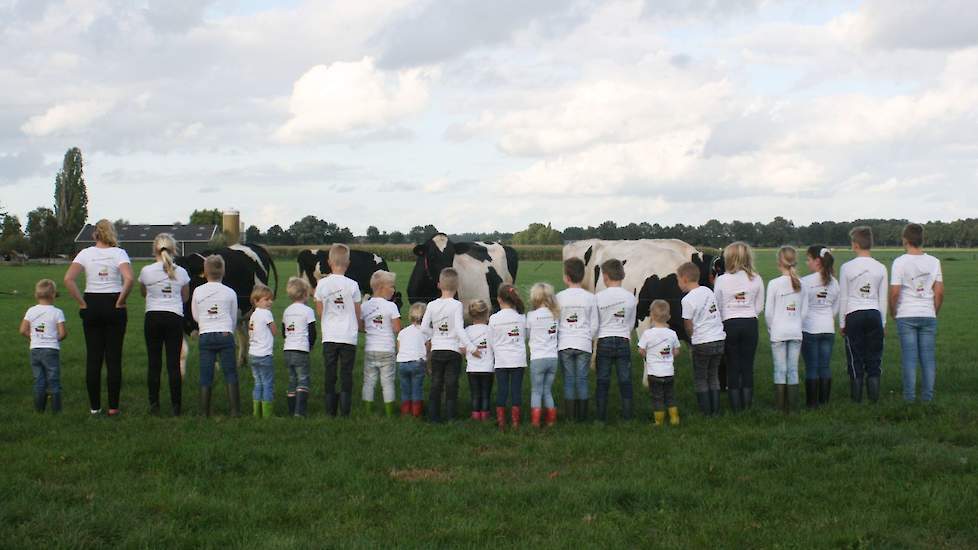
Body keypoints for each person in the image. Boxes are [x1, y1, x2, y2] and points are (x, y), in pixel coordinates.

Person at [63, 219, 133, 417]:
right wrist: (121, 300)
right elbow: (129, 278)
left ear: (95, 234)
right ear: (112, 234)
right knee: (114, 358)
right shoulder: (119, 253)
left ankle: (94, 408)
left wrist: (82, 303)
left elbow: (68, 279)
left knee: (93, 358)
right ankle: (113, 407)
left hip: (91, 303)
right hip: (113, 304)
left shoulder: (85, 254)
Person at [890, 223, 944, 403]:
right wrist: (933, 311)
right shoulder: (934, 262)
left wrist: (893, 311)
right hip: (928, 313)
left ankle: (909, 399)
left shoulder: (899, 262)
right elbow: (939, 292)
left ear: (905, 240)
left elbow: (895, 292)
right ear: (923, 239)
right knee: (928, 358)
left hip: (906, 314)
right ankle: (927, 399)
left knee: (909, 358)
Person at [138, 233, 191, 416]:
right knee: (173, 364)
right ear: (174, 249)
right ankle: (176, 406)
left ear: (155, 249)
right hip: (174, 318)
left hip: (152, 317)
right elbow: (185, 297)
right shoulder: (182, 272)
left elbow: (144, 293)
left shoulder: (146, 271)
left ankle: (154, 404)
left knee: (154, 363)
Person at [838, 226, 888, 403]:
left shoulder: (846, 267)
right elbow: (883, 299)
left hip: (854, 313)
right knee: (874, 358)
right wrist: (883, 323)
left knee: (855, 357)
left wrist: (841, 322)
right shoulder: (881, 267)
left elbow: (843, 296)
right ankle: (873, 400)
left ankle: (856, 400)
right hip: (874, 313)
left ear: (856, 245)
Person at [420, 267, 476, 423]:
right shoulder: (457, 305)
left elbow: (424, 328)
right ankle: (451, 417)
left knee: (436, 383)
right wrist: (471, 347)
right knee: (451, 384)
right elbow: (459, 329)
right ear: (457, 286)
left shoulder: (431, 305)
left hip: (437, 350)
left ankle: (433, 417)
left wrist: (435, 336)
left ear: (439, 285)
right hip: (453, 351)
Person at [713, 242, 764, 412]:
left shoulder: (721, 280)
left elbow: (718, 305)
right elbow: (759, 305)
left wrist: (729, 314)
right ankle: (747, 405)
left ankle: (736, 406)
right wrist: (747, 312)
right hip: (750, 323)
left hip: (729, 324)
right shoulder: (756, 278)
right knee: (747, 365)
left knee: (733, 365)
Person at [314, 244, 362, 417]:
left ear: (329, 262)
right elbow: (358, 313)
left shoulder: (321, 285)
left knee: (330, 371)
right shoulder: (353, 285)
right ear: (347, 263)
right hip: (348, 335)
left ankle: (329, 410)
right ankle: (345, 410)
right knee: (346, 372)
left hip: (329, 335)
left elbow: (320, 312)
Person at [191, 254, 240, 417]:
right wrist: (228, 329)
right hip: (225, 334)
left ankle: (204, 412)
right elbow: (233, 316)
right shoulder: (230, 292)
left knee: (206, 374)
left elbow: (195, 315)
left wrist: (205, 324)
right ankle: (234, 411)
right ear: (223, 271)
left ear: (204, 272)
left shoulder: (198, 291)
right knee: (230, 372)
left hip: (205, 335)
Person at [677, 261, 725, 416]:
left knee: (701, 377)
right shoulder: (707, 291)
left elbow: (688, 324)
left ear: (684, 279)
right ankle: (716, 410)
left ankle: (705, 411)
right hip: (718, 339)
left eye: (678, 280)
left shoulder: (687, 300)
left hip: (702, 341)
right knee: (713, 376)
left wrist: (692, 338)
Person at [595, 258, 638, 422]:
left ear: (605, 276)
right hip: (623, 340)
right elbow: (631, 323)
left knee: (602, 379)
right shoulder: (630, 297)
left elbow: (596, 322)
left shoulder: (598, 297)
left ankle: (600, 417)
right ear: (622, 275)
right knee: (625, 380)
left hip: (604, 340)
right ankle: (627, 416)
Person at [556, 257, 599, 422]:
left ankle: (570, 416)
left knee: (568, 379)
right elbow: (594, 324)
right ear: (582, 276)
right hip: (584, 344)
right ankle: (582, 416)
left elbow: (556, 321)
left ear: (566, 277)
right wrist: (588, 337)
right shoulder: (590, 298)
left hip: (565, 344)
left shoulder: (559, 297)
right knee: (582, 379)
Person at [766, 246, 806, 414]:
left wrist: (771, 329)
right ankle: (794, 408)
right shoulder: (802, 284)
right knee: (793, 369)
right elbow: (804, 311)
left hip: (778, 332)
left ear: (779, 262)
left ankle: (780, 408)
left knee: (779, 369)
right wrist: (796, 323)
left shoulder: (774, 284)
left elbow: (768, 312)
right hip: (796, 331)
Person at [20, 279, 67, 413]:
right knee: (54, 380)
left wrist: (33, 338)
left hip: (35, 349)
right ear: (53, 295)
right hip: (51, 349)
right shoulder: (57, 312)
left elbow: (22, 330)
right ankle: (57, 411)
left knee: (39, 380)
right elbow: (63, 333)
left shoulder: (31, 311)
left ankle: (39, 410)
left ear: (36, 295)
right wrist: (55, 339)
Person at [801, 245, 839, 407]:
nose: (807, 262)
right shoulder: (834, 282)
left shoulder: (805, 282)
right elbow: (835, 308)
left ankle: (812, 404)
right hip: (828, 329)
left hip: (810, 329)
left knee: (811, 367)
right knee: (824, 366)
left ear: (817, 261)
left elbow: (801, 308)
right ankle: (824, 402)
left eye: (808, 259)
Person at [360, 270, 401, 417]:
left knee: (369, 381)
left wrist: (372, 328)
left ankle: (367, 410)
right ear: (382, 287)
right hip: (387, 350)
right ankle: (390, 413)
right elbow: (397, 328)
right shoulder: (391, 306)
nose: (393, 290)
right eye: (392, 286)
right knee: (388, 382)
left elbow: (361, 326)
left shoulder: (365, 305)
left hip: (370, 349)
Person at [637, 300, 681, 426]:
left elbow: (641, 350)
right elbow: (676, 351)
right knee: (670, 395)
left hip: (654, 373)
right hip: (669, 372)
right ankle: (674, 418)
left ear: (651, 316)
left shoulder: (647, 334)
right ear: (669, 316)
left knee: (657, 397)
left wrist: (647, 355)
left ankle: (659, 421)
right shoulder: (672, 334)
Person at [490, 283, 527, 431]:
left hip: (501, 360)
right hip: (518, 360)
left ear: (499, 299)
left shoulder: (493, 318)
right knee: (516, 390)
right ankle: (516, 422)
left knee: (502, 390)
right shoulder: (521, 318)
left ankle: (501, 422)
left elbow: (491, 341)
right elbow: (524, 337)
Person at [282, 277, 316, 417]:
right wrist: (311, 345)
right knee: (303, 379)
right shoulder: (308, 311)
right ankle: (299, 412)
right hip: (301, 349)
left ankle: (291, 411)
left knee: (292, 379)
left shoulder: (286, 311)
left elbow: (284, 331)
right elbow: (312, 331)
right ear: (305, 293)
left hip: (287, 349)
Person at [527, 282, 560, 428]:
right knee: (547, 390)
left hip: (537, 358)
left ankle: (535, 422)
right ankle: (551, 421)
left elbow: (527, 334)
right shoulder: (555, 315)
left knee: (536, 390)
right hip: (553, 358)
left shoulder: (531, 316)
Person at [248, 284, 277, 419]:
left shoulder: (253, 315)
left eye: (271, 299)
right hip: (264, 354)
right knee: (267, 383)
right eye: (266, 299)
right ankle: (267, 414)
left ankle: (256, 412)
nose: (270, 302)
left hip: (253, 354)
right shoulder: (266, 313)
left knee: (258, 382)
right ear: (256, 301)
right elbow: (274, 330)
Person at [397, 303, 430, 418]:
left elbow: (399, 348)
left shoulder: (403, 332)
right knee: (417, 388)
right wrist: (427, 366)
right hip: (417, 362)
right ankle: (417, 411)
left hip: (402, 363)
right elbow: (427, 350)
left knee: (405, 388)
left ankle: (405, 410)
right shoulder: (426, 332)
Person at [464, 300, 494, 422]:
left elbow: (462, 348)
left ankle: (476, 415)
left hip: (472, 368)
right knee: (486, 393)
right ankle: (485, 414)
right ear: (487, 314)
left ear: (471, 315)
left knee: (475, 393)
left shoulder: (467, 331)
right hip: (488, 368)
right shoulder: (490, 330)